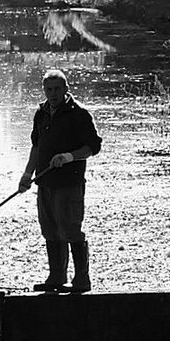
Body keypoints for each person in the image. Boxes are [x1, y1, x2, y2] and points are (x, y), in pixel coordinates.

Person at [18, 68, 101, 292]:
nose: (52, 94)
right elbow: (36, 146)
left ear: (66, 89)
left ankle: (82, 280)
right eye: (48, 89)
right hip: (45, 183)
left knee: (70, 229)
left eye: (56, 89)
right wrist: (27, 176)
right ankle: (56, 277)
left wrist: (68, 157)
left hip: (69, 183)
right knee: (49, 229)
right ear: (44, 90)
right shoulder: (41, 113)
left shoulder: (79, 114)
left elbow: (93, 147)